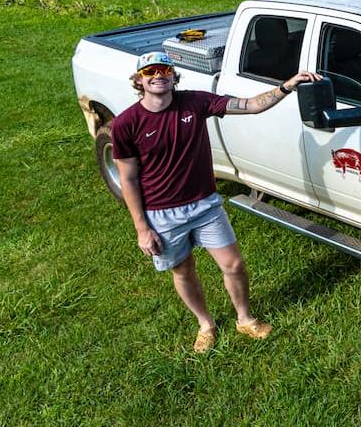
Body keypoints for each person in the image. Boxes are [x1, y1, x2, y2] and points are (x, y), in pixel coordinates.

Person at [112, 51, 321, 353]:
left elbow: (249, 106)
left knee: (233, 264)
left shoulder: (195, 102)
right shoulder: (126, 124)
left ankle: (245, 318)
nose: (158, 75)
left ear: (173, 75)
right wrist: (142, 228)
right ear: (139, 80)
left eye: (164, 69)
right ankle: (205, 324)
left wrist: (288, 85)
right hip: (162, 213)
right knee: (183, 271)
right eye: (150, 71)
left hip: (205, 204)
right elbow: (128, 180)